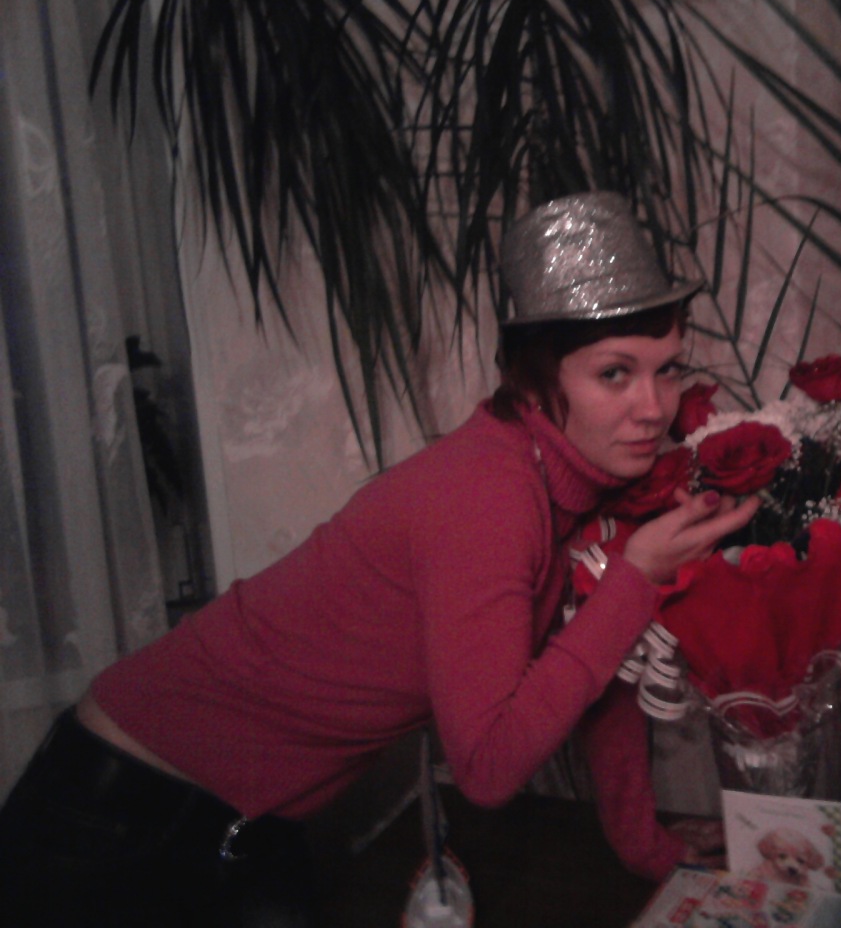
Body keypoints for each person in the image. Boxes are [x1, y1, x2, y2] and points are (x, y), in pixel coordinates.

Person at [0, 191, 760, 927]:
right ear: (533, 375)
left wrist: (645, 845)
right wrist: (634, 580)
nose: (653, 408)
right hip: (117, 809)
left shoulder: (578, 483)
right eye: (614, 373)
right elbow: (488, 768)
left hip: (246, 819)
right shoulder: (489, 494)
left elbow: (602, 677)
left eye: (667, 369)